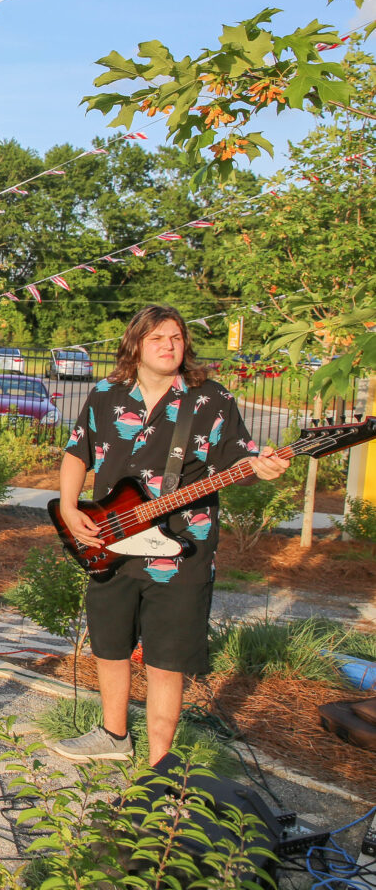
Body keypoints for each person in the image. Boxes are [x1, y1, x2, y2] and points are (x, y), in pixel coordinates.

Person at [51, 305, 287, 766]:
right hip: (109, 540)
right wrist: (67, 506)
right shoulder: (105, 394)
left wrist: (263, 470)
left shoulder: (211, 400)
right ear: (136, 343)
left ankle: (161, 764)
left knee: (166, 660)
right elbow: (77, 451)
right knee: (110, 645)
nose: (169, 344)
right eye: (158, 337)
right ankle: (113, 735)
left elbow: (239, 463)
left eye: (177, 337)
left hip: (183, 550)